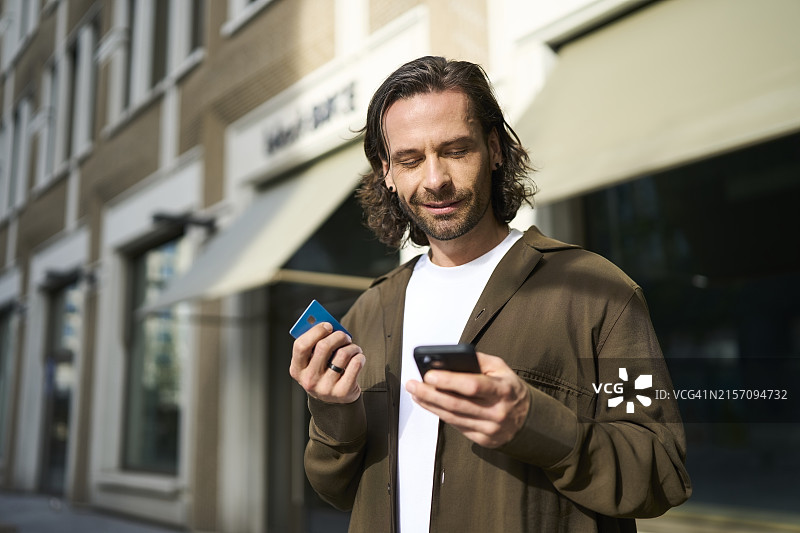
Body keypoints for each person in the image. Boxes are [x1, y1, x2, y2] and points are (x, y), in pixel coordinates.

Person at [289, 56, 691, 532]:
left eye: (456, 150)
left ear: (495, 149)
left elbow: (661, 472)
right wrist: (334, 411)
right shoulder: (370, 311)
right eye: (410, 159)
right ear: (388, 173)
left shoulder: (597, 291)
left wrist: (536, 424)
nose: (435, 179)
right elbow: (334, 488)